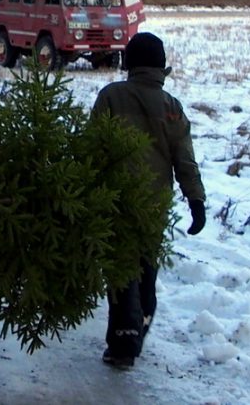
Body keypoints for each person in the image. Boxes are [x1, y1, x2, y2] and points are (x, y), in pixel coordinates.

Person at [90, 31, 206, 369]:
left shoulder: (111, 97)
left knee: (120, 270)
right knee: (145, 266)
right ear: (160, 66)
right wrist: (196, 201)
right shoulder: (171, 107)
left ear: (128, 63)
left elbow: (94, 146)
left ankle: (123, 341)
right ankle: (139, 323)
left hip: (116, 200)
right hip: (154, 205)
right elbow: (184, 158)